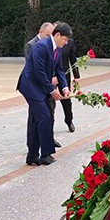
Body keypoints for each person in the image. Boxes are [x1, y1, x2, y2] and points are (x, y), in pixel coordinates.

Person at [17, 22, 71, 166]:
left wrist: (65, 87)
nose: (65, 43)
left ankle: (32, 156)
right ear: (57, 35)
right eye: (65, 39)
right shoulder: (41, 46)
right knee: (45, 116)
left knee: (36, 119)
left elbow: (59, 69)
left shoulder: (57, 49)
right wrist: (52, 90)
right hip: (30, 85)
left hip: (40, 86)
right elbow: (39, 72)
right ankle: (46, 154)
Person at [23, 22, 63, 148]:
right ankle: (33, 144)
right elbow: (35, 68)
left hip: (49, 87)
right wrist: (49, 80)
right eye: (47, 35)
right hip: (36, 88)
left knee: (50, 113)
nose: (49, 38)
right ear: (40, 32)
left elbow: (56, 65)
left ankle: (48, 138)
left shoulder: (53, 46)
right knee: (35, 116)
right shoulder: (32, 45)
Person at [59, 36, 80, 132]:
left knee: (66, 99)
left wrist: (76, 76)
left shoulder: (69, 43)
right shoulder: (50, 42)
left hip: (64, 75)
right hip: (51, 76)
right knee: (49, 102)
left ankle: (69, 120)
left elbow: (73, 60)